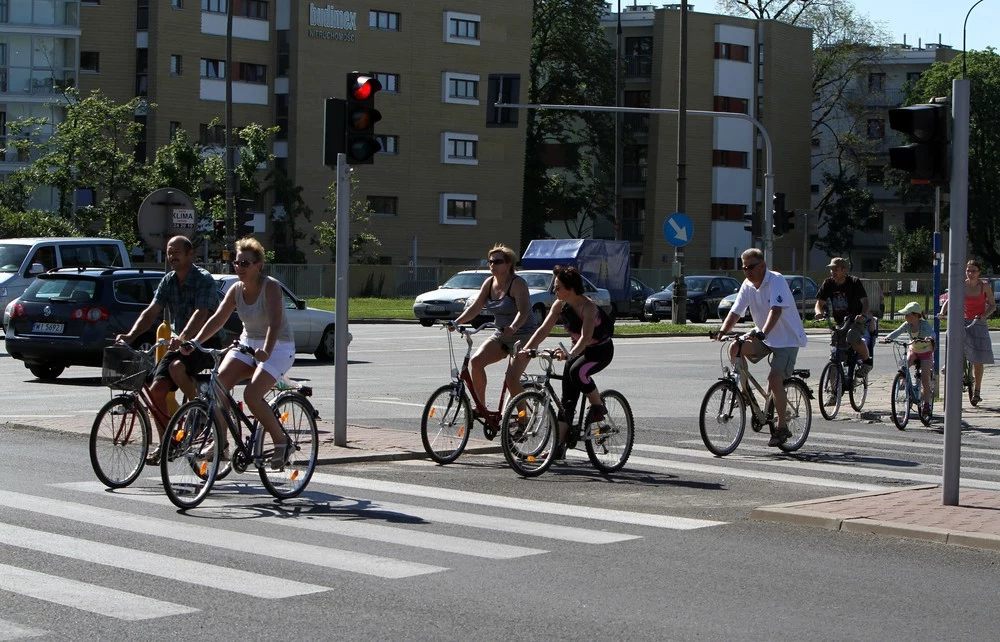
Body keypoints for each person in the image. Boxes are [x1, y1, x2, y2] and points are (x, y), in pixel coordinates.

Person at [185, 236, 296, 468]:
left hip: (278, 347)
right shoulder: (236, 289)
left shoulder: (271, 287)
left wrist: (266, 350)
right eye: (237, 263)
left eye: (245, 263)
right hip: (247, 343)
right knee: (218, 385)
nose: (239, 268)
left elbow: (275, 323)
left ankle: (281, 441)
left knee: (251, 396)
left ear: (259, 265)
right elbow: (218, 319)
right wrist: (195, 341)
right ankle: (221, 443)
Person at [116, 235, 220, 462]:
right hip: (179, 343)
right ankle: (167, 443)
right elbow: (152, 311)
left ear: (190, 254)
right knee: (156, 391)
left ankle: (198, 408)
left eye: (176, 252)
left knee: (175, 367)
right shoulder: (169, 280)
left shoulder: (204, 279)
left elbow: (201, 313)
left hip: (204, 342)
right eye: (169, 252)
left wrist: (183, 336)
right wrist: (131, 335)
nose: (172, 257)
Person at [520, 265, 614, 461]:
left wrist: (569, 353)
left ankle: (598, 407)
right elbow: (543, 330)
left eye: (558, 287)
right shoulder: (559, 305)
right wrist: (527, 349)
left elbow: (586, 337)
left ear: (570, 288)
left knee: (578, 372)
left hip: (600, 351)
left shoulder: (589, 307)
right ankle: (559, 447)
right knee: (566, 401)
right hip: (576, 350)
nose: (554, 291)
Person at [716, 248, 808, 447]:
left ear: (762, 266)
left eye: (751, 267)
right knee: (735, 347)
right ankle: (745, 394)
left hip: (787, 339)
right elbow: (736, 311)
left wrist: (763, 332)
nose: (747, 271)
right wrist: (722, 331)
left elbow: (776, 311)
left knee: (774, 379)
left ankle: (782, 427)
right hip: (764, 336)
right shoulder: (747, 285)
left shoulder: (776, 280)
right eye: (744, 268)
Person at [451, 243, 538, 411]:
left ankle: (523, 419)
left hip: (525, 335)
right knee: (476, 362)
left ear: (509, 264)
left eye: (497, 261)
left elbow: (524, 311)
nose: (492, 265)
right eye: (490, 261)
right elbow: (475, 307)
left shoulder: (517, 284)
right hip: (502, 334)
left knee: (512, 379)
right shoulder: (489, 283)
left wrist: (513, 327)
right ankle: (481, 407)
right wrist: (456, 322)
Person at [938, 259, 995, 404]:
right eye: (968, 270)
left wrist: (984, 315)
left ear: (979, 272)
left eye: (973, 271)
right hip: (963, 320)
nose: (970, 273)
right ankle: (948, 363)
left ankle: (977, 391)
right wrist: (942, 312)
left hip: (978, 322)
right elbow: (949, 300)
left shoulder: (985, 287)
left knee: (978, 359)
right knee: (952, 337)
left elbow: (993, 305)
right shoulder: (962, 285)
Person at [814, 257, 873, 377]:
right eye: (831, 269)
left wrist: (863, 315)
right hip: (839, 322)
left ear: (844, 270)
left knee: (852, 337)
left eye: (836, 269)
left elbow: (866, 303)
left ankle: (867, 361)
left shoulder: (854, 282)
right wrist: (818, 312)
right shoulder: (828, 283)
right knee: (835, 357)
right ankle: (832, 393)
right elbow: (819, 303)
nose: (833, 272)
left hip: (856, 320)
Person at [882, 302, 935, 416]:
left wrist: (929, 338)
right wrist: (887, 338)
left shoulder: (924, 324)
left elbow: (932, 334)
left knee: (925, 377)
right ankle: (903, 380)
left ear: (915, 315)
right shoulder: (907, 325)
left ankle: (926, 404)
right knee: (904, 364)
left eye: (907, 314)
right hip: (914, 351)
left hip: (925, 352)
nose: (905, 317)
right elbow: (897, 331)